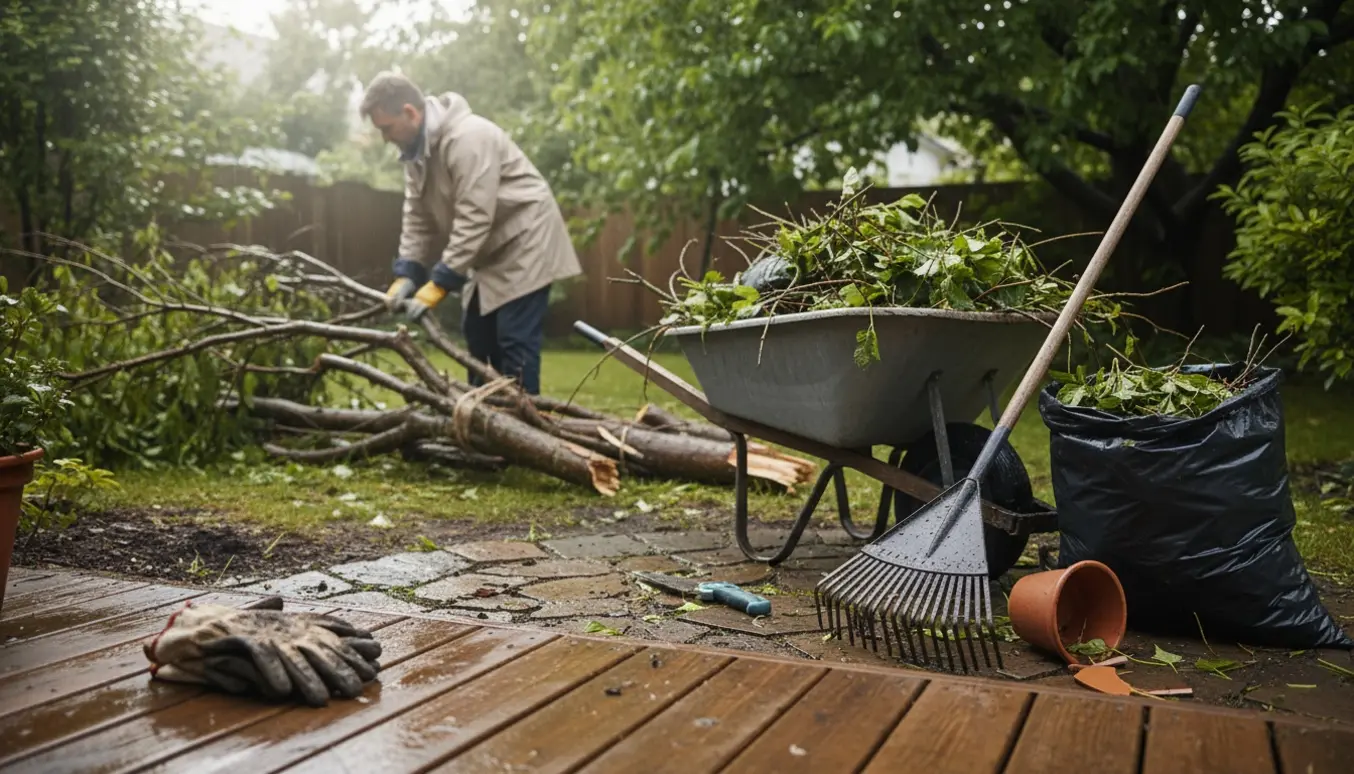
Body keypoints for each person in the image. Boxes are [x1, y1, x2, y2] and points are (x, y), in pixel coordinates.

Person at [359, 71, 582, 395]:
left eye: (387, 128)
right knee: (478, 336)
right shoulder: (415, 155)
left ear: (410, 112)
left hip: (526, 241)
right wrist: (408, 270)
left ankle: (524, 420)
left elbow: (475, 216)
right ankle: (483, 415)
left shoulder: (468, 138)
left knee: (514, 339)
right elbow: (417, 217)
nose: (384, 138)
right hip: (488, 252)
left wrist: (441, 281)